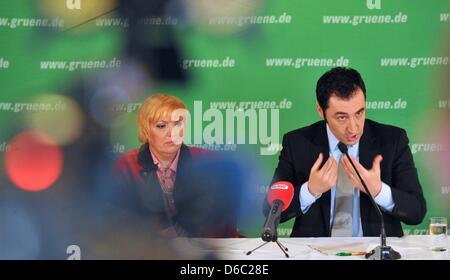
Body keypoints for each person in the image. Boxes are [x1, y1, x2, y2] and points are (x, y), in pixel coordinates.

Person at [269, 67, 426, 237]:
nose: (354, 127)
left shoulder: (392, 140)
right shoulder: (297, 143)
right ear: (321, 111)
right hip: (315, 252)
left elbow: (416, 212)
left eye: (359, 113)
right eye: (342, 117)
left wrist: (378, 190)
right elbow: (270, 210)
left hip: (373, 251)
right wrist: (310, 190)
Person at [114, 93, 241, 238]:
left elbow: (223, 222)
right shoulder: (126, 165)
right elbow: (117, 222)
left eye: (178, 124)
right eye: (161, 126)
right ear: (146, 130)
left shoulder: (206, 161)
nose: (172, 133)